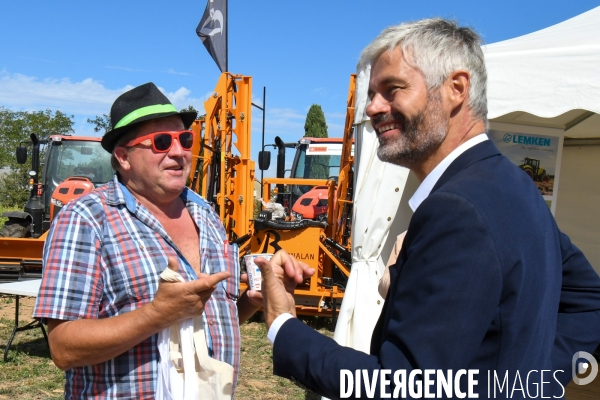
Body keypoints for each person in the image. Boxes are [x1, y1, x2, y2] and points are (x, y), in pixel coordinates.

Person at [256, 19, 600, 399]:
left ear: (456, 89)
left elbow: (399, 387)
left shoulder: (457, 209)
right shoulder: (514, 184)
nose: (372, 108)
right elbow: (588, 302)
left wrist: (282, 324)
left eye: (392, 90)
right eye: (372, 93)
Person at [33, 82, 310, 399]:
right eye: (161, 142)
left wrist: (253, 299)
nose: (179, 151)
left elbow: (210, 316)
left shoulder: (207, 216)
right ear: (123, 156)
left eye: (184, 139)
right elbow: (63, 348)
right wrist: (155, 315)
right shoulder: (85, 219)